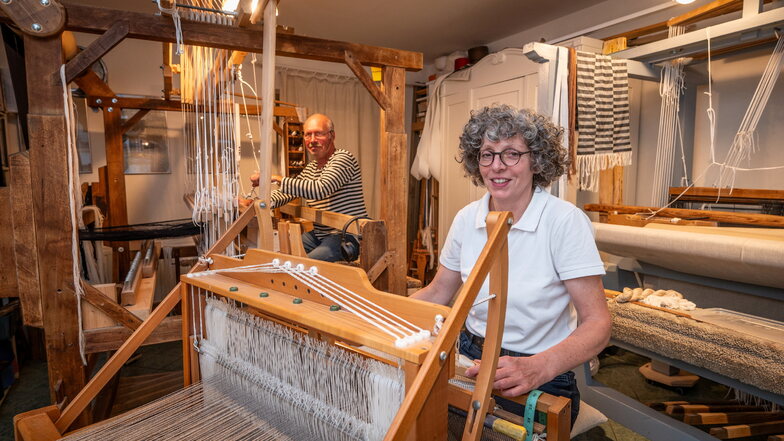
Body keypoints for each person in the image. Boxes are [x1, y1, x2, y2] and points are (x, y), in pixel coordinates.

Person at [411, 105, 610, 425]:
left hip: (540, 371)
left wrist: (540, 367)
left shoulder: (563, 221)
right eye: (487, 154)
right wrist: (378, 317)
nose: (496, 166)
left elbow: (598, 324)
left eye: (512, 154)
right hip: (466, 357)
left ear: (537, 160)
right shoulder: (466, 219)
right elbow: (438, 293)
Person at [251, 113, 368, 262]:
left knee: (303, 267)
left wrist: (275, 178)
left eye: (318, 134)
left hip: (347, 235)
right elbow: (286, 193)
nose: (312, 140)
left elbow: (320, 189)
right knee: (283, 257)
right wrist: (260, 203)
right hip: (321, 233)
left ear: (332, 135)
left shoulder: (343, 158)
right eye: (308, 135)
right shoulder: (311, 168)